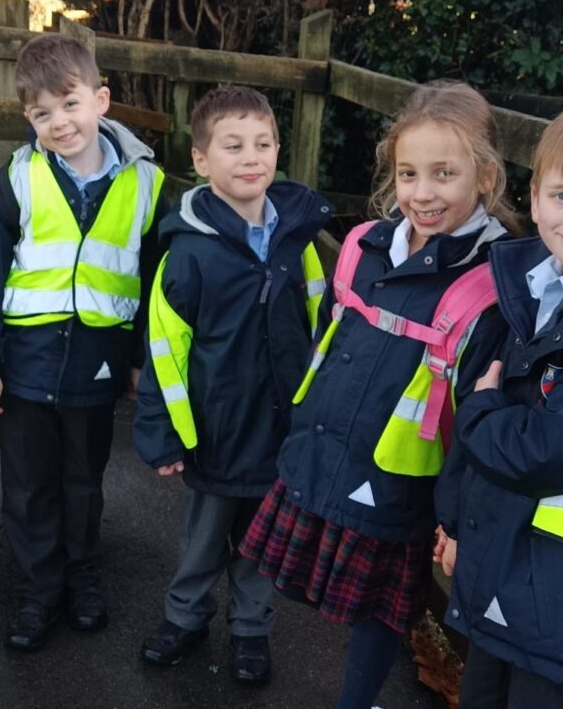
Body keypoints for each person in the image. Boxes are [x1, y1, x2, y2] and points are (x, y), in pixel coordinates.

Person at [239, 81, 518, 709]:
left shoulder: (495, 284)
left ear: (486, 176)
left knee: (379, 616)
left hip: (398, 482)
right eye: (409, 173)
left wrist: (456, 514)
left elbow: (478, 414)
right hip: (324, 452)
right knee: (309, 586)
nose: (423, 193)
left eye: (444, 174)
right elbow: (330, 346)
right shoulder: (366, 245)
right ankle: (244, 638)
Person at [0, 33, 165, 652]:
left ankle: (83, 580)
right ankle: (38, 591)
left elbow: (152, 283)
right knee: (28, 485)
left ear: (100, 99)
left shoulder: (146, 184)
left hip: (96, 365)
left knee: (83, 480)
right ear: (28, 117)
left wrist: (137, 363)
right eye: (42, 112)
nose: (59, 122)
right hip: (24, 362)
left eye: (70, 104)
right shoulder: (17, 179)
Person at [134, 85, 333, 685]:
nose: (252, 157)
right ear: (201, 160)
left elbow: (321, 330)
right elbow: (163, 349)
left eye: (264, 143)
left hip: (280, 431)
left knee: (261, 545)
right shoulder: (189, 252)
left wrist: (316, 414)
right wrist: (163, 432)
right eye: (233, 145)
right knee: (202, 542)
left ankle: (251, 630)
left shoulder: (298, 241)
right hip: (216, 432)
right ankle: (184, 617)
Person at [434, 108, 563, 708]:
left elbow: (543, 449)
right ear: (536, 199)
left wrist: (482, 411)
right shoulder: (524, 289)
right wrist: (454, 521)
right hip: (505, 560)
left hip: (560, 596)